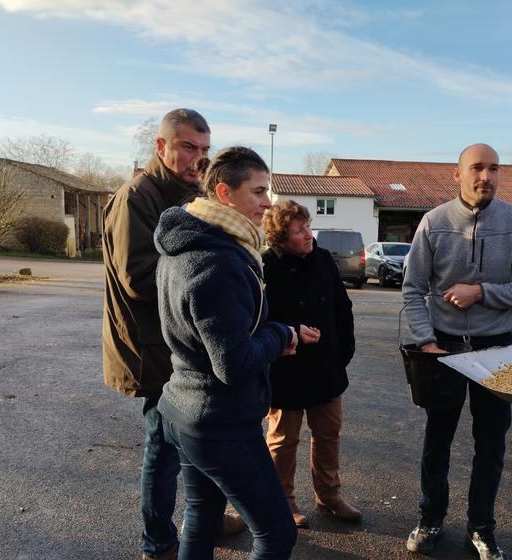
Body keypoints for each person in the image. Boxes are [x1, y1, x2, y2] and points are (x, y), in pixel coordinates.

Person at [102, 109, 243, 560]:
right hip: (153, 351)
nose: (198, 159)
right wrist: (205, 277)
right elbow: (138, 277)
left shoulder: (189, 194)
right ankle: (157, 541)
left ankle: (207, 518)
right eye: (188, 147)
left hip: (182, 348)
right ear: (161, 146)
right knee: (162, 452)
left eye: (204, 149)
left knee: (194, 444)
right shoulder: (136, 198)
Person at [402, 143, 512, 559]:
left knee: (491, 444)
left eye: (494, 169)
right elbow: (413, 290)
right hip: (441, 350)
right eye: (477, 168)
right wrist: (426, 338)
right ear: (458, 174)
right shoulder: (434, 222)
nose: (486, 176)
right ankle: (430, 520)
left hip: (496, 350)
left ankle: (481, 529)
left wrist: (481, 292)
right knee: (437, 442)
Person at [154, 147, 300, 560]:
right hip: (221, 422)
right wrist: (280, 333)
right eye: (258, 192)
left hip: (182, 409)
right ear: (224, 193)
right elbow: (232, 365)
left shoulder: (184, 244)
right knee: (277, 535)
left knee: (201, 519)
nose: (268, 202)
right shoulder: (218, 261)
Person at [261, 199, 360, 530]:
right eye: (300, 229)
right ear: (280, 236)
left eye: (308, 226)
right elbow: (257, 318)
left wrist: (344, 350)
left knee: (329, 433)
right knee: (283, 440)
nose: (308, 234)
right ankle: (281, 502)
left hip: (326, 367)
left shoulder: (322, 259)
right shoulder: (266, 265)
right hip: (285, 368)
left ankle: (328, 496)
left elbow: (341, 306)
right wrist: (291, 331)